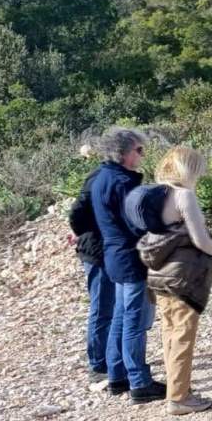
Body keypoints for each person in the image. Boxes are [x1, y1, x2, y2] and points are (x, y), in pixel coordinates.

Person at [137, 147, 212, 416]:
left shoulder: (154, 192)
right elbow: (200, 239)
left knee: (169, 332)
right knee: (184, 335)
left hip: (158, 272)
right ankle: (179, 397)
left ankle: (176, 389)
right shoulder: (183, 195)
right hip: (182, 276)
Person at [90, 127, 165, 403]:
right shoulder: (123, 182)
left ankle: (117, 375)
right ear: (123, 153)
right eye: (139, 150)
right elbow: (136, 223)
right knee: (133, 320)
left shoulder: (101, 177)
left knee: (121, 316)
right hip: (129, 256)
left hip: (114, 254)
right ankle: (139, 382)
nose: (142, 155)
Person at [68, 157, 113, 386]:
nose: (141, 155)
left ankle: (110, 358)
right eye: (138, 150)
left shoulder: (110, 176)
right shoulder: (101, 177)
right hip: (97, 251)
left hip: (107, 251)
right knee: (102, 308)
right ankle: (98, 365)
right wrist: (85, 232)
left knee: (111, 307)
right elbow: (77, 212)